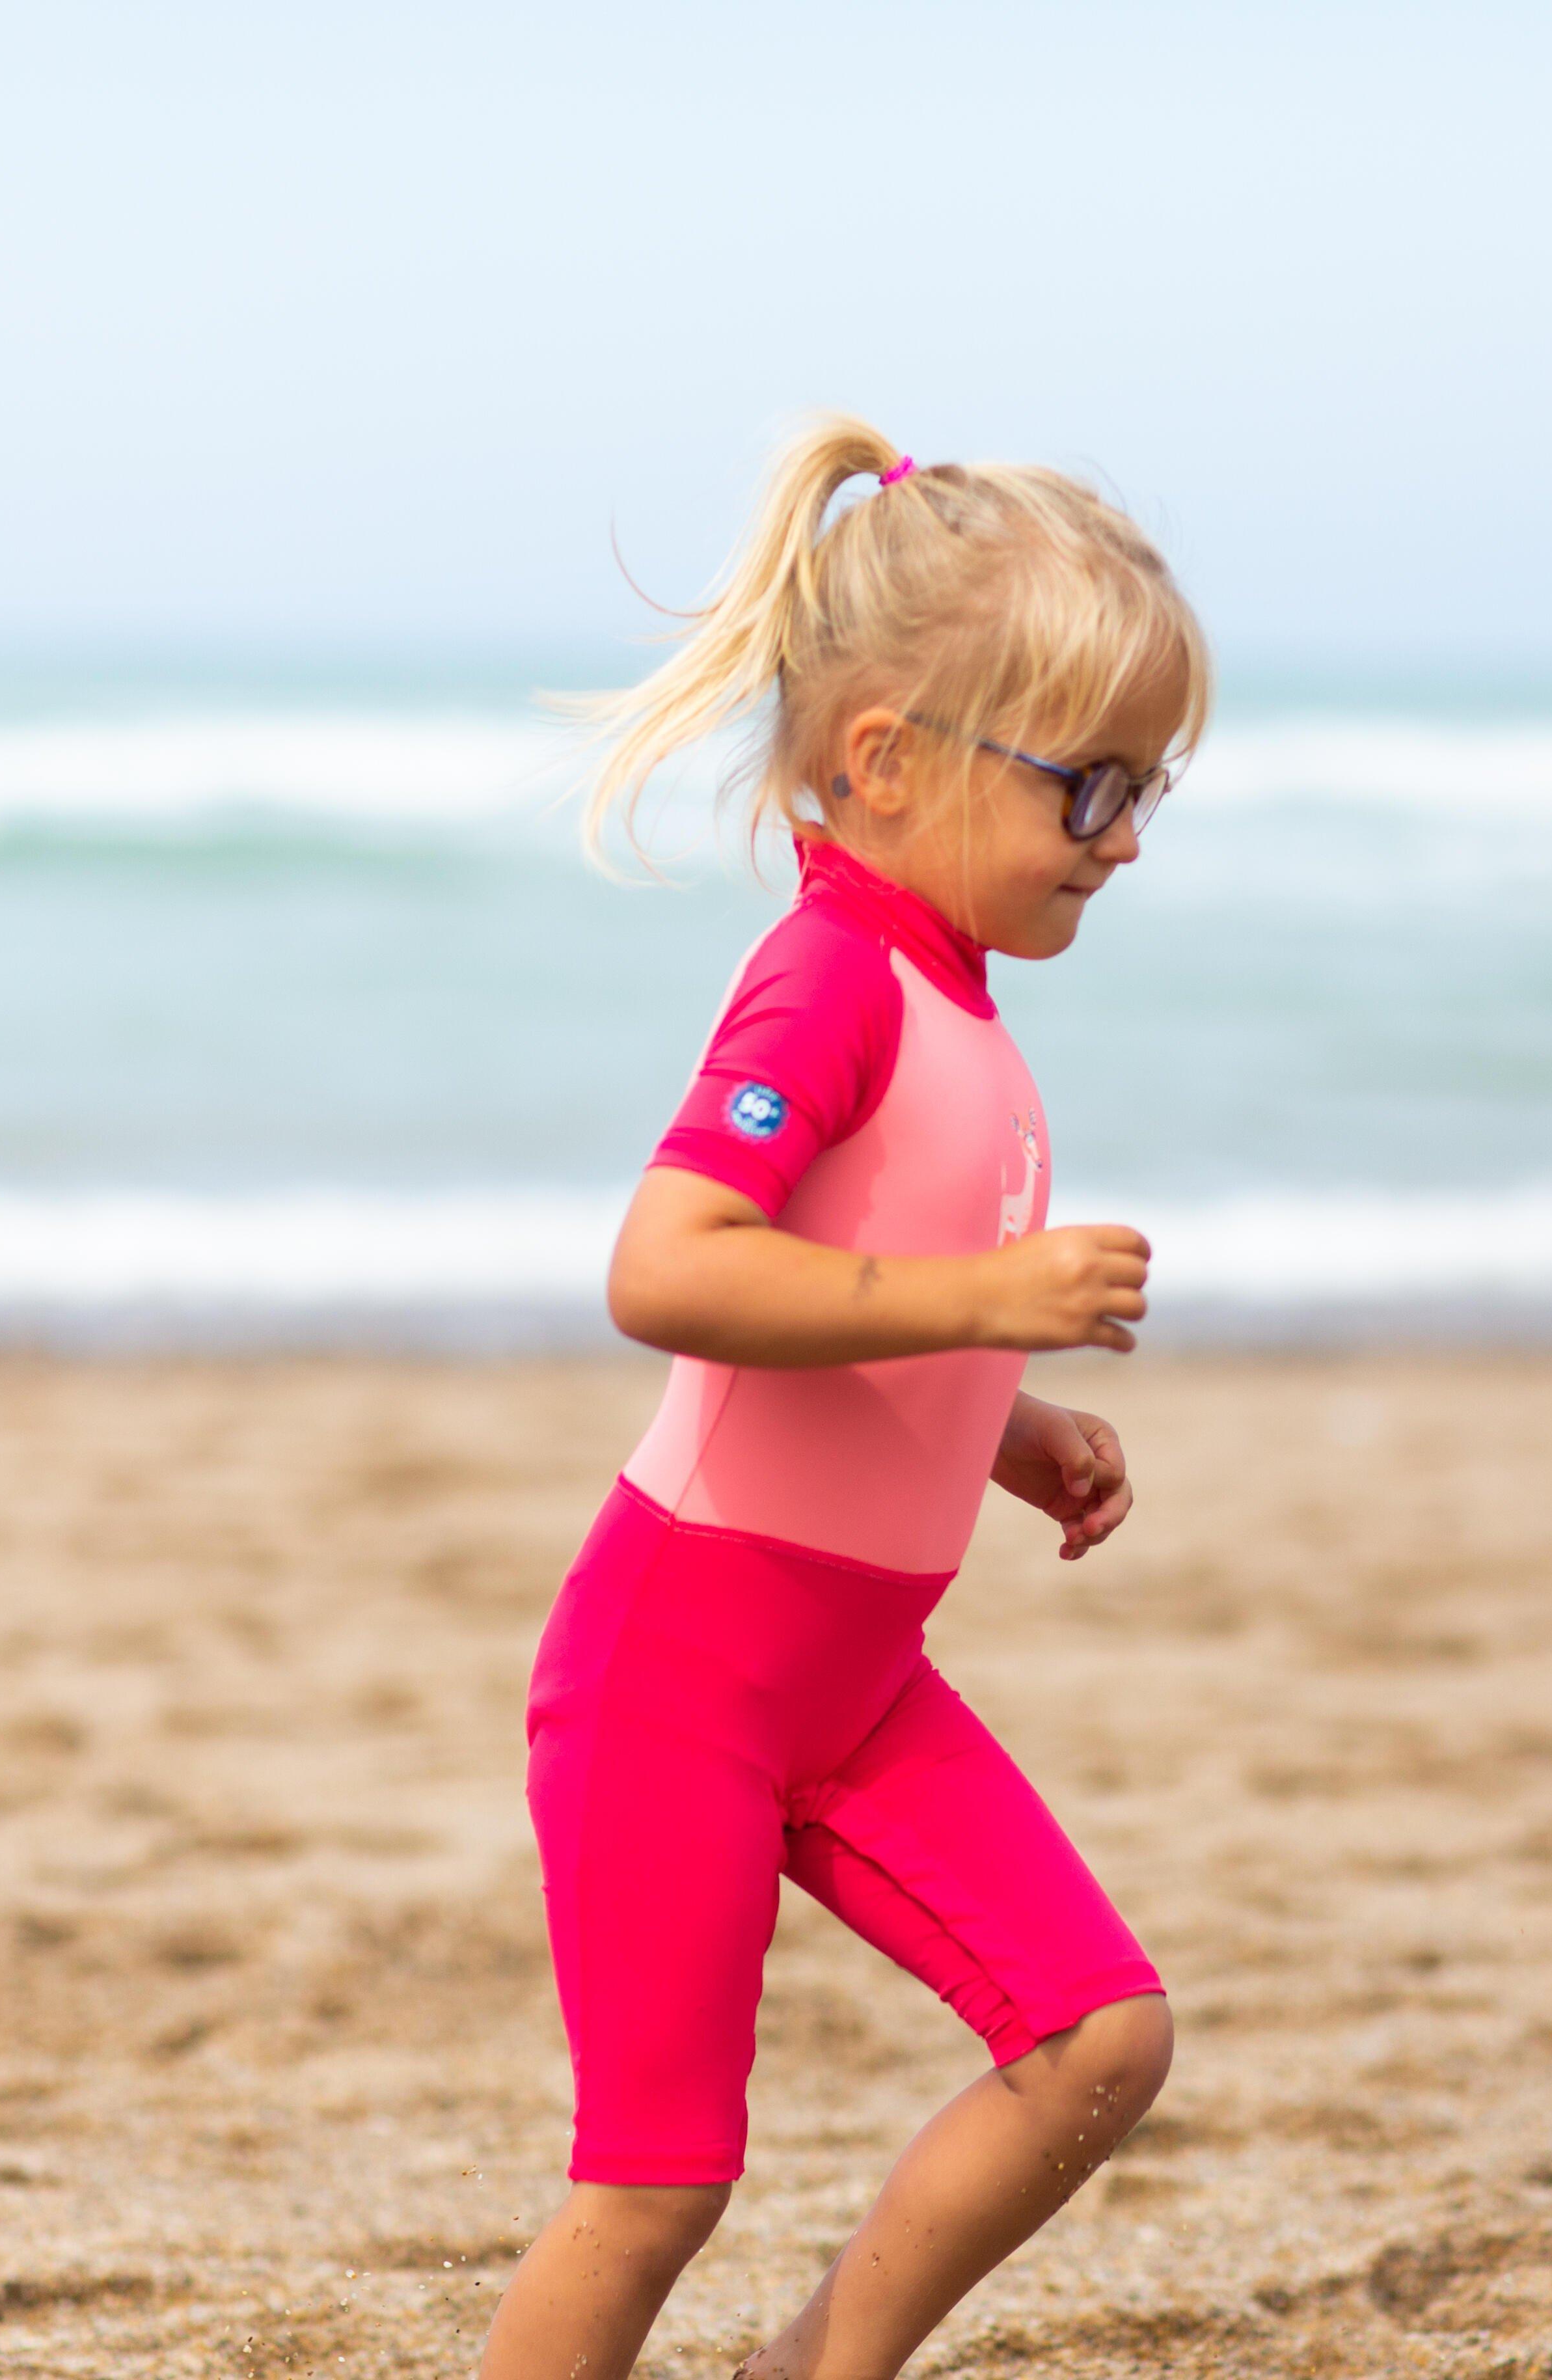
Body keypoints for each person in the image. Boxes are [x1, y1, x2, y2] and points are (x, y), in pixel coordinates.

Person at [477, 417, 1211, 2380]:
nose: (1128, 835)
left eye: (1149, 786)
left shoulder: (957, 998)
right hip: (681, 1671)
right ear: (886, 759)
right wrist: (990, 1302)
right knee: (653, 2185)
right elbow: (672, 1268)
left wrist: (1002, 1421)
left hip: (857, 1681)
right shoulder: (831, 980)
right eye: (1090, 784)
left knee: (1100, 2038)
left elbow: (858, 1302)